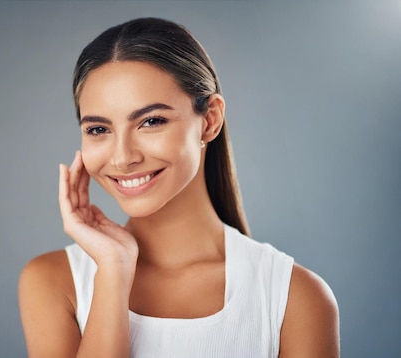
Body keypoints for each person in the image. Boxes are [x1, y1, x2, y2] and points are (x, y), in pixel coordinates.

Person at [18, 17, 339, 357]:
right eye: (99, 129)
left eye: (151, 121)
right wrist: (113, 272)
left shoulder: (294, 298)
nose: (123, 157)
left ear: (210, 120)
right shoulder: (52, 282)